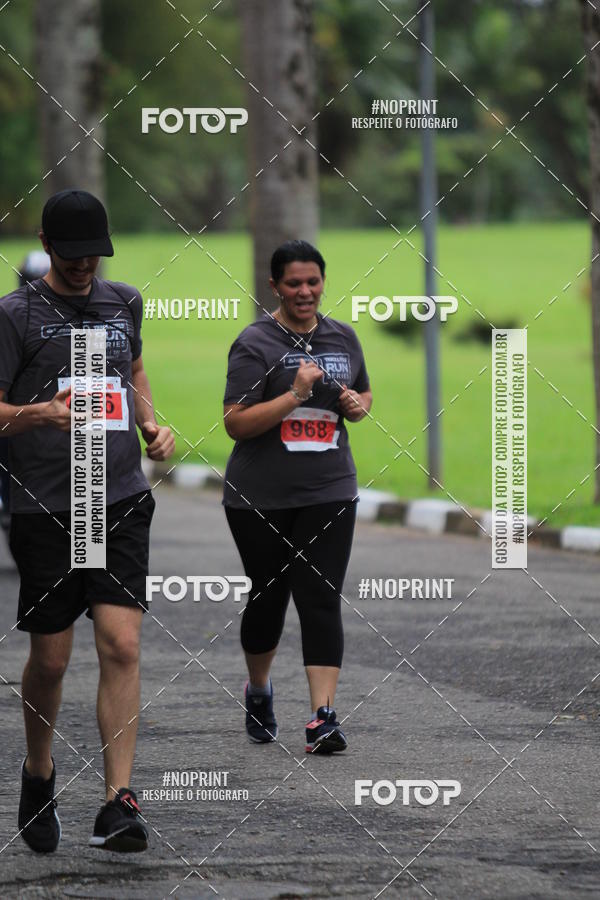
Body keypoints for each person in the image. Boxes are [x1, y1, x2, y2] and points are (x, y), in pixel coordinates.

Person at [0, 189, 175, 853]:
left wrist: (153, 424)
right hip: (46, 503)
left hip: (118, 496)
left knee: (121, 643)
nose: (83, 267)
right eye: (71, 255)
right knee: (51, 657)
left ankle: (118, 802)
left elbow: (132, 371)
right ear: (47, 245)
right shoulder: (13, 317)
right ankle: (38, 771)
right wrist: (38, 413)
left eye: (93, 256)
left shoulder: (124, 301)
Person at [223, 239, 372, 754]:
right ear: (275, 287)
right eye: (294, 284)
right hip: (259, 497)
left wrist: (356, 405)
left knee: (320, 595)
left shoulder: (342, 337)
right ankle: (260, 690)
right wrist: (295, 396)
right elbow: (235, 423)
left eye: (313, 282)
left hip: (330, 487)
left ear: (323, 281)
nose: (305, 292)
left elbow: (364, 391)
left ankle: (322, 717)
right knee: (270, 596)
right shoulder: (255, 343)